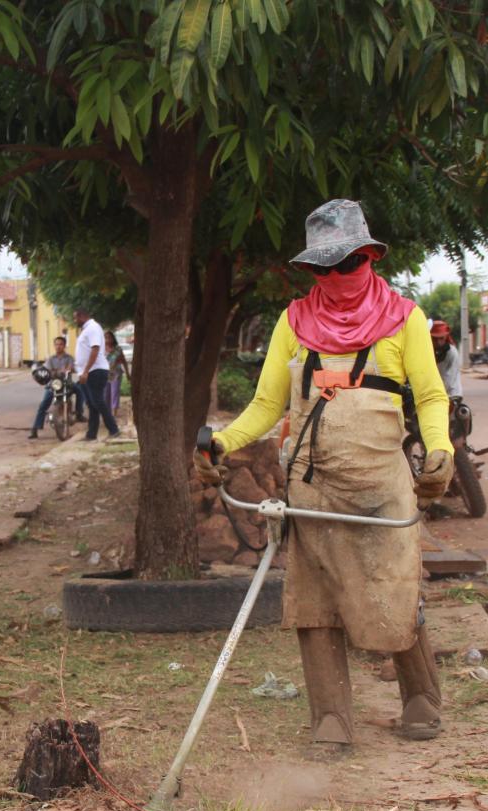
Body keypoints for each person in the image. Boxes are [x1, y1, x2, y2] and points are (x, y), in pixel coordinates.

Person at [195, 198, 454, 749]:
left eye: (348, 264)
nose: (337, 277)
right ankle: (332, 719)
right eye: (324, 268)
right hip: (312, 486)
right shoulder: (294, 322)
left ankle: (421, 698)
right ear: (311, 270)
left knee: (395, 590)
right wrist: (222, 441)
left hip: (382, 485)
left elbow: (430, 396)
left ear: (369, 257)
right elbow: (268, 405)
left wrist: (439, 448)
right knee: (315, 603)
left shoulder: (404, 318)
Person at [73, 308, 120, 441]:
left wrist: (86, 371)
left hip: (95, 371)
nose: (74, 320)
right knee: (92, 404)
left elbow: (95, 349)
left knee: (98, 401)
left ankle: (114, 429)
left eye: (75, 318)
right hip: (88, 372)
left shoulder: (93, 327)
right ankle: (91, 434)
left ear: (82, 316)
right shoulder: (87, 329)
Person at [29, 335, 76, 439]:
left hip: (66, 383)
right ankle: (35, 429)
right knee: (43, 404)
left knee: (81, 390)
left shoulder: (69, 358)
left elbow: (70, 368)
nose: (58, 346)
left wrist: (65, 370)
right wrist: (57, 371)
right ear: (54, 346)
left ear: (64, 346)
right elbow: (47, 370)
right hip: (54, 384)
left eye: (61, 344)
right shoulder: (50, 359)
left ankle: (79, 413)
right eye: (56, 344)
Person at [430, 319, 462, 399]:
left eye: (441, 338)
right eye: (434, 339)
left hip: (450, 394)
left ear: (446, 337)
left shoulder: (452, 353)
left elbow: (451, 378)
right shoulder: (425, 351)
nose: (438, 342)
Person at [106, 340, 129, 415]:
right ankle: (107, 412)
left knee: (115, 392)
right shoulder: (101, 349)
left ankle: (114, 412)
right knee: (106, 394)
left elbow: (124, 361)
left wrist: (127, 373)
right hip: (105, 374)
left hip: (116, 373)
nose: (107, 339)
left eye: (109, 337)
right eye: (105, 337)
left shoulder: (118, 349)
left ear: (112, 338)